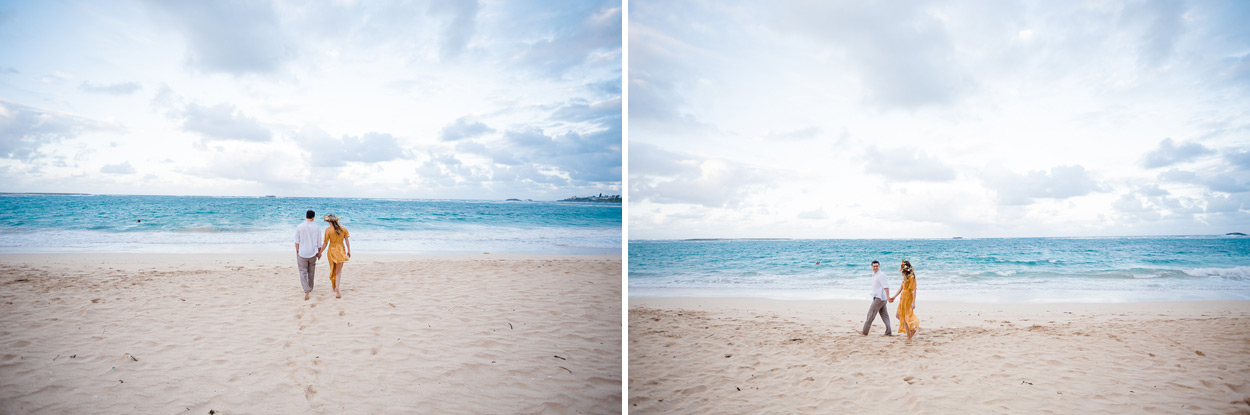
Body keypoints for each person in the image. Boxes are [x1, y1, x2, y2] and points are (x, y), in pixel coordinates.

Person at [319, 214, 351, 299]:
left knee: (332, 269)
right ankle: (337, 288)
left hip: (332, 251)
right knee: (338, 271)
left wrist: (320, 252)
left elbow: (325, 243)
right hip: (340, 250)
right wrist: (349, 251)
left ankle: (334, 287)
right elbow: (347, 240)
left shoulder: (328, 230)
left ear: (329, 221)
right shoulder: (343, 228)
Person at [294, 210, 323, 301]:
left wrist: (297, 251)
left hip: (302, 253)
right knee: (311, 272)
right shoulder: (317, 227)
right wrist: (319, 252)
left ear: (306, 216)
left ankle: (306, 289)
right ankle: (310, 287)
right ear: (313, 217)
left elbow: (297, 241)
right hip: (312, 253)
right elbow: (319, 242)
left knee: (303, 272)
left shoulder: (300, 226)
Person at [890, 260, 920, 341]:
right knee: (898, 315)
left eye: (902, 267)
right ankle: (911, 330)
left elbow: (914, 290)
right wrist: (894, 297)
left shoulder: (911, 277)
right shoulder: (905, 276)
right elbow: (901, 287)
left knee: (904, 317)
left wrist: (913, 302)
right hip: (903, 297)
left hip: (908, 298)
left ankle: (909, 338)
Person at [860, 260, 893, 336]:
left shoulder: (881, 275)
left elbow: (886, 286)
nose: (875, 268)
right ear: (872, 267)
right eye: (874, 266)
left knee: (870, 314)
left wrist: (888, 296)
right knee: (885, 316)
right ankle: (888, 332)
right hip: (880, 298)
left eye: (877, 266)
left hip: (879, 298)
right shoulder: (874, 275)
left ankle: (864, 332)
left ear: (879, 266)